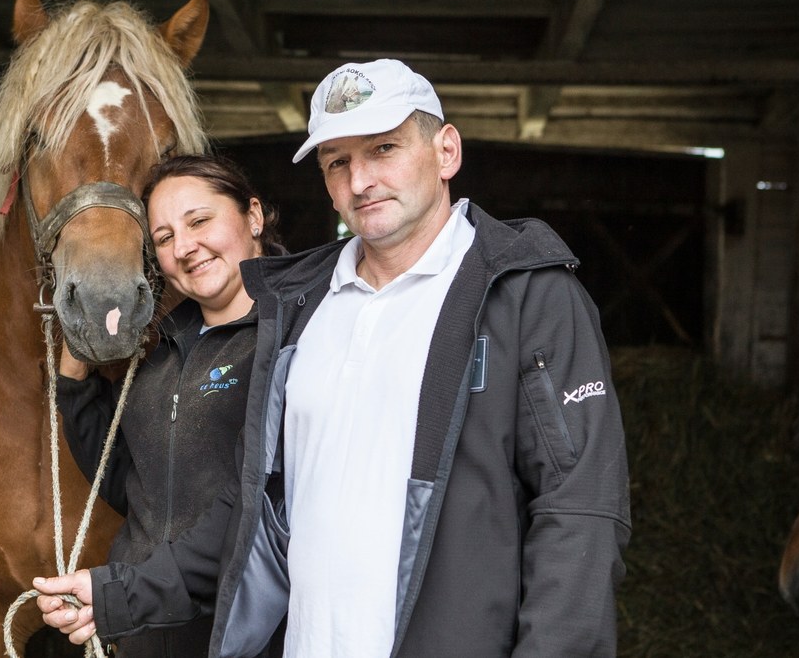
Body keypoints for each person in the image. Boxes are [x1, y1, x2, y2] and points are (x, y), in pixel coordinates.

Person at [35, 58, 632, 657]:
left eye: (384, 149)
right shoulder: (299, 307)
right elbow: (253, 510)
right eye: (338, 162)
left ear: (446, 151)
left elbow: (579, 511)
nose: (361, 181)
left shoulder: (527, 294)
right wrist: (119, 593)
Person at [53, 154, 283, 658]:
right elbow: (128, 483)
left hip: (236, 635)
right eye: (163, 238)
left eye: (199, 221)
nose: (185, 247)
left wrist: (125, 595)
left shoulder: (290, 342)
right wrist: (72, 378)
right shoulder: (159, 352)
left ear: (254, 216)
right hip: (142, 630)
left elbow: (257, 506)